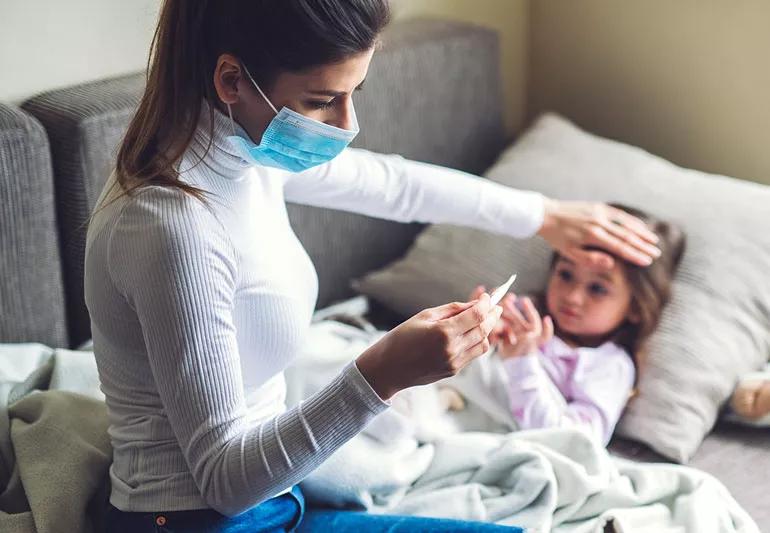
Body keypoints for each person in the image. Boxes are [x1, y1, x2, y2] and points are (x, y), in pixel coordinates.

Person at [84, 1, 661, 531]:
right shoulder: (172, 226)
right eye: (321, 99)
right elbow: (225, 481)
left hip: (283, 492)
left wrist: (544, 215)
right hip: (200, 518)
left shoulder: (242, 146)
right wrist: (382, 373)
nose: (344, 124)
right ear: (231, 79)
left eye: (353, 92)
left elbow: (394, 184)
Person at [470, 205, 684, 445]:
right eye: (566, 275)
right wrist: (473, 331)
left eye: (597, 289)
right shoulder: (523, 312)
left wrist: (521, 363)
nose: (572, 297)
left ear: (636, 307)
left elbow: (575, 442)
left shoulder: (609, 365)